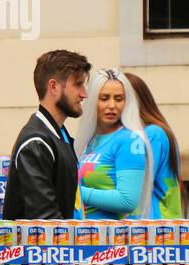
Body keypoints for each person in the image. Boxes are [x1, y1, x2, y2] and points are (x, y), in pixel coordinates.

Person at [3, 50, 90, 220]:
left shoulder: (58, 134)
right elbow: (46, 220)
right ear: (54, 87)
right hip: (48, 246)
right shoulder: (36, 143)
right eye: (78, 84)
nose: (84, 93)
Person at [72, 68, 153, 221]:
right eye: (104, 98)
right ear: (92, 101)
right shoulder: (90, 140)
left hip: (113, 239)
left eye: (118, 98)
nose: (112, 105)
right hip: (86, 237)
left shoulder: (130, 140)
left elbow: (127, 200)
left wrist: (76, 192)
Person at [125, 73, 183, 219]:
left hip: (155, 228)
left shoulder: (152, 134)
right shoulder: (150, 132)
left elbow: (134, 185)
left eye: (119, 99)